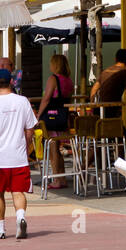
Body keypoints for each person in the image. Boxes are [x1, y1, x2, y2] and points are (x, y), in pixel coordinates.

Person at [0, 67, 37, 240]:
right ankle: (20, 218)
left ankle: (0, 229)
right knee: (18, 191)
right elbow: (30, 128)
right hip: (18, 156)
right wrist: (25, 145)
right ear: (12, 82)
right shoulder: (23, 101)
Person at [36, 53, 74, 189]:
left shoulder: (53, 79)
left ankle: (57, 179)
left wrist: (39, 115)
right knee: (58, 148)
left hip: (52, 117)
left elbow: (46, 98)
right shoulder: (68, 80)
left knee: (53, 149)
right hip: (63, 117)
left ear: (55, 65)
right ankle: (62, 178)